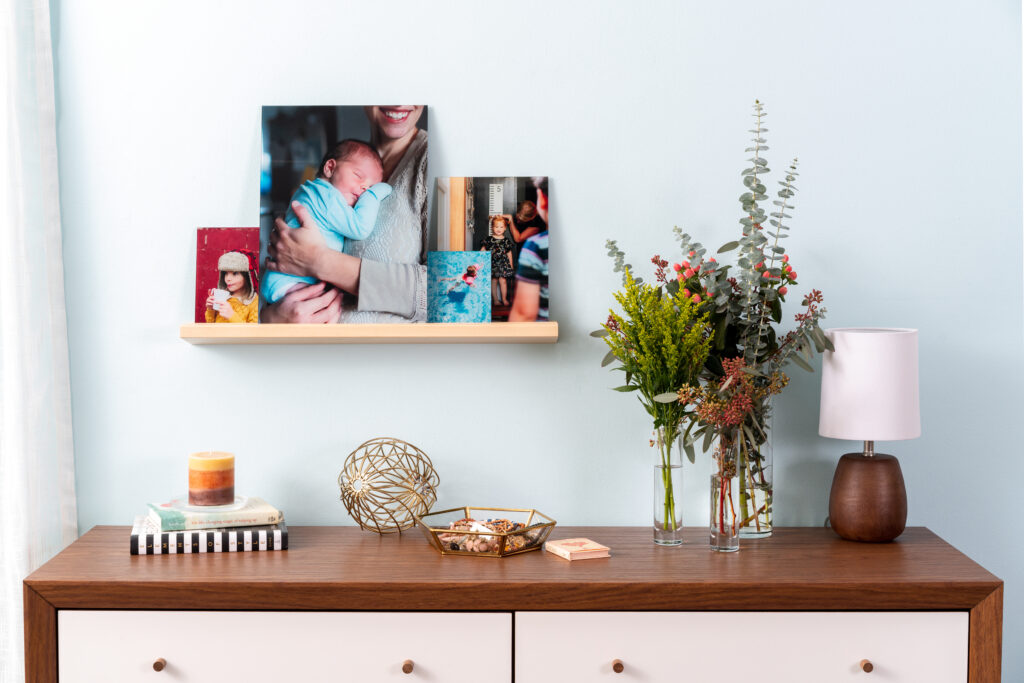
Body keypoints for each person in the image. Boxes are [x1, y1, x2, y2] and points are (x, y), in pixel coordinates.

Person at [262, 106, 428, 324]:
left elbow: (454, 289)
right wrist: (271, 319)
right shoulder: (350, 160)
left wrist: (318, 261)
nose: (398, 102)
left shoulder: (432, 161)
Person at [261, 139, 392, 304]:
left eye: (371, 186)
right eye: (358, 176)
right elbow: (360, 227)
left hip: (282, 279)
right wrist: (376, 193)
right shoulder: (328, 197)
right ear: (330, 168)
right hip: (289, 282)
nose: (364, 188)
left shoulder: (310, 190)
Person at [509, 186, 549, 322]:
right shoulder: (521, 208)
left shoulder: (537, 226)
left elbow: (518, 238)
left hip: (527, 254)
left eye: (522, 220)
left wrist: (510, 222)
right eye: (517, 218)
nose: (519, 221)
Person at [205, 251, 259, 323]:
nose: (228, 278)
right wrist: (210, 309)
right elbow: (210, 324)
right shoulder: (223, 296)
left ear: (247, 277)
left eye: (235, 273)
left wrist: (232, 316)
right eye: (226, 273)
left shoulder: (254, 301)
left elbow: (251, 332)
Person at [479, 215, 515, 306]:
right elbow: (483, 250)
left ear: (505, 228)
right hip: (493, 263)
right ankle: (495, 300)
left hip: (503, 264)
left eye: (501, 227)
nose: (499, 229)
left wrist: (511, 264)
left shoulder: (506, 241)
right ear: (492, 228)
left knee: (503, 281)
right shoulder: (489, 240)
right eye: (496, 227)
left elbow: (509, 253)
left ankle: (504, 299)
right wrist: (479, 259)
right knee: (494, 281)